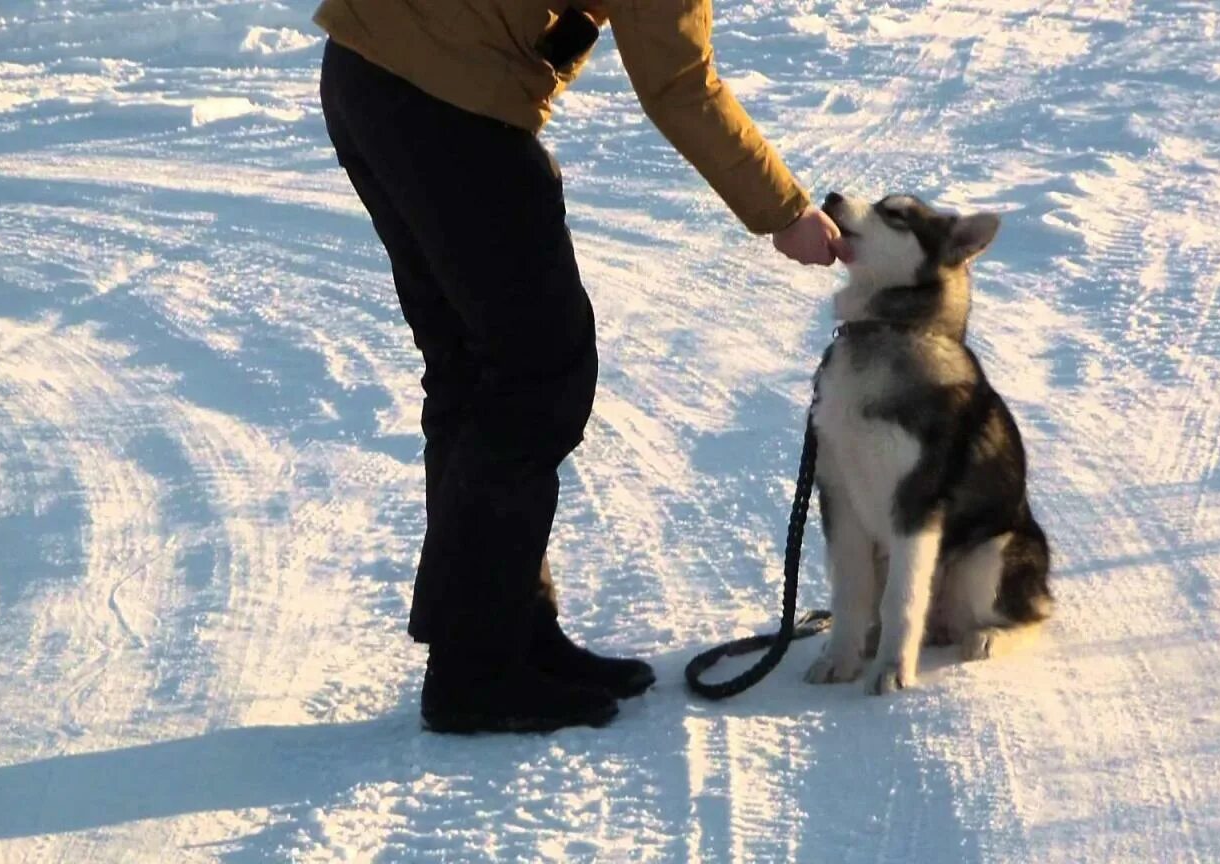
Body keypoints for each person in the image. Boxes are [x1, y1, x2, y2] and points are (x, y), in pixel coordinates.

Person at [314, 0, 846, 734]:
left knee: (473, 370)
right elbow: (679, 84)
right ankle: (476, 671)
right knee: (538, 374)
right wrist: (784, 211)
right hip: (445, 106)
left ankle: (504, 632)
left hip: (367, 73)